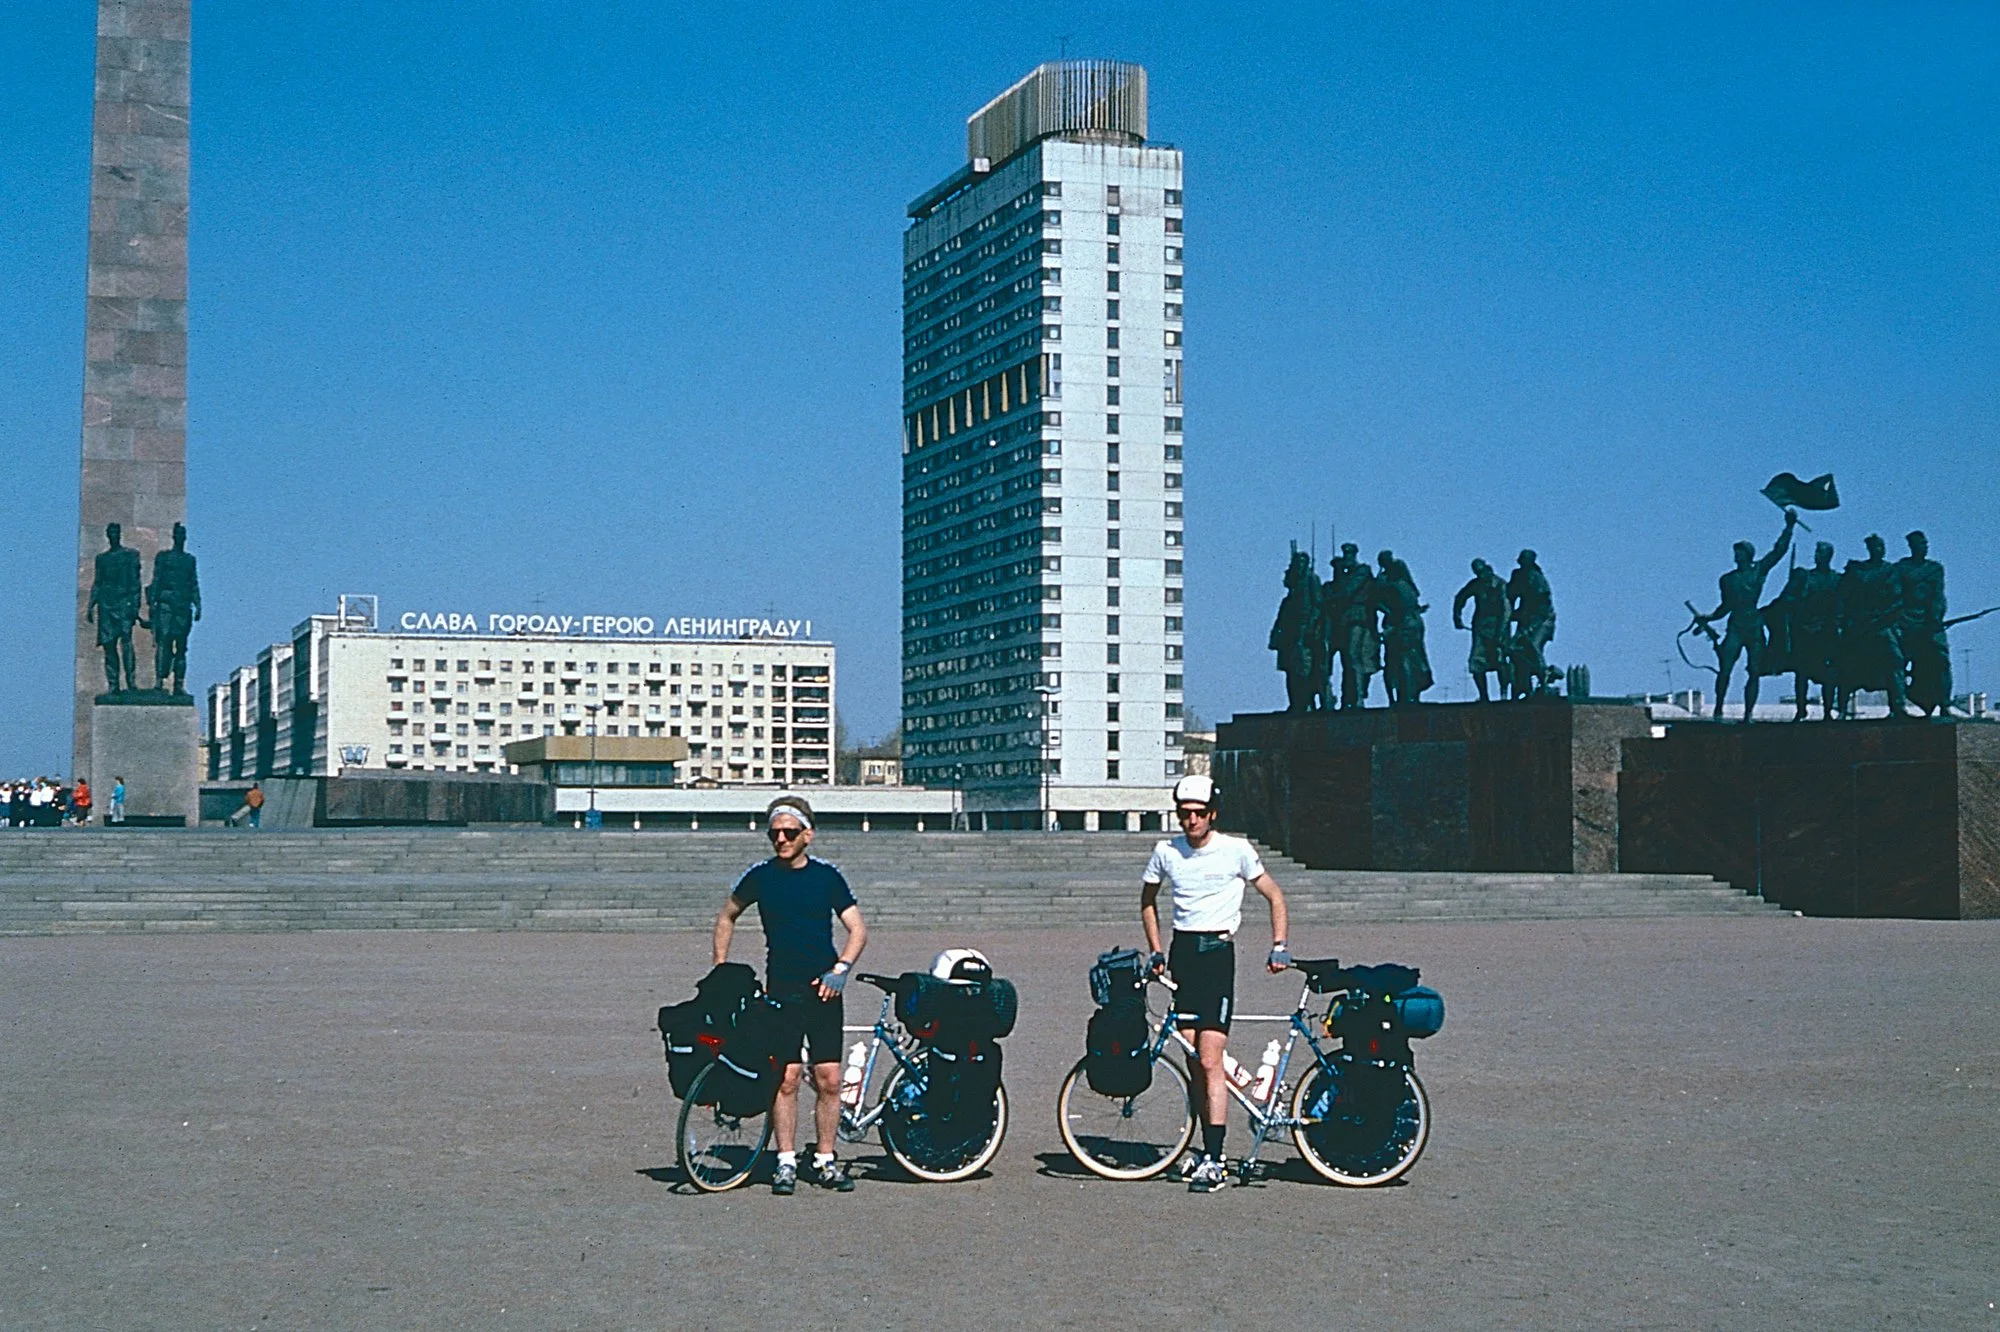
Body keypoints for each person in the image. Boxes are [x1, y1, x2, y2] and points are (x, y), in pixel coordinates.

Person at [1140, 774, 1290, 1193]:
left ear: (1212, 814)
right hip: (1182, 955)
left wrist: (1279, 944)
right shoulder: (1165, 852)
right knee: (1192, 1060)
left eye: (1197, 814)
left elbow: (1275, 896)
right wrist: (1155, 951)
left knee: (1209, 1059)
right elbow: (1147, 901)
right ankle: (1203, 1150)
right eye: (1183, 814)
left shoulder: (1236, 850)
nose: (1189, 821)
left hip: (1217, 956)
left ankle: (1218, 1159)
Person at [712, 796, 868, 1195]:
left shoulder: (827, 878)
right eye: (774, 833)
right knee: (787, 1078)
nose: (780, 838)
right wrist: (720, 966)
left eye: (789, 832)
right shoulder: (761, 877)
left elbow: (857, 930)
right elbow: (727, 914)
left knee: (829, 1078)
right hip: (781, 987)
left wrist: (841, 970)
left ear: (807, 835)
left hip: (824, 991)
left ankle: (825, 1159)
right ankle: (785, 1160)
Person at [1695, 508, 1797, 720]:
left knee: (1754, 671)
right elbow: (1725, 607)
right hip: (1735, 626)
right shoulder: (1727, 579)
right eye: (1735, 552)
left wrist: (1789, 527)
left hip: (1754, 625)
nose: (1736, 555)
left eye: (1739, 552)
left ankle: (1748, 713)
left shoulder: (1758, 571)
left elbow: (1778, 551)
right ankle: (1718, 709)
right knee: (1725, 668)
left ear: (1747, 555)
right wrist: (1708, 618)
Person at [1896, 530, 1952, 716]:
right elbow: (1894, 595)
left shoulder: (1934, 569)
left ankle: (1944, 703)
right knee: (1895, 660)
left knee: (1941, 657)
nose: (1924, 547)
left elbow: (1938, 597)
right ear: (1912, 546)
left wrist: (1934, 619)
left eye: (1926, 544)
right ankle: (1898, 704)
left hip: (1930, 623)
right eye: (1920, 544)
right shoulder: (1901, 568)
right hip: (1906, 622)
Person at [1451, 559, 1510, 702]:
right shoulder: (1476, 584)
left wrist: (1500, 634)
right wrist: (1457, 617)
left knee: (1499, 660)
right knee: (1476, 663)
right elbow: (1460, 597)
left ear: (1488, 569)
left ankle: (1503, 694)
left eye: (1482, 572)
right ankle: (1484, 696)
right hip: (1480, 628)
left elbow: (1506, 610)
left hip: (1498, 626)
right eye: (1477, 574)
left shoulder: (1500, 584)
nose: (1481, 576)